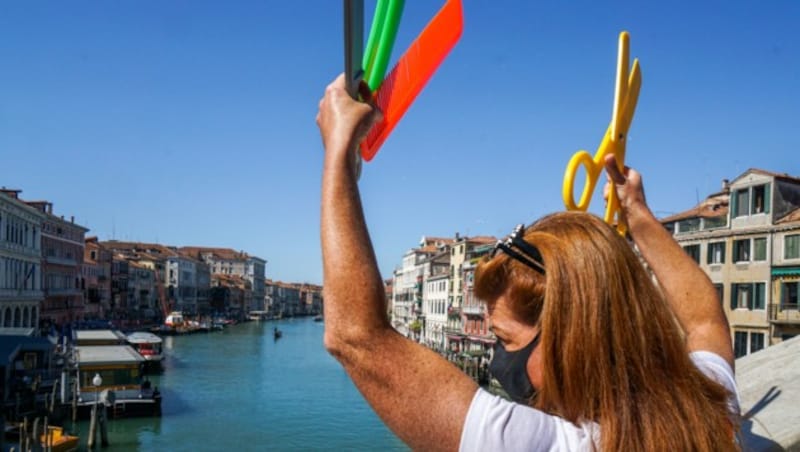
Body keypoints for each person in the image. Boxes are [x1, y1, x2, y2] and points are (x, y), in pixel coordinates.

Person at [317, 74, 739, 451]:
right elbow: (704, 321)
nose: (499, 361)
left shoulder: (561, 445)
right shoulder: (713, 408)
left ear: (570, 337)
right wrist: (640, 217)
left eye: (505, 338)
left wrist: (339, 155)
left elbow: (356, 339)